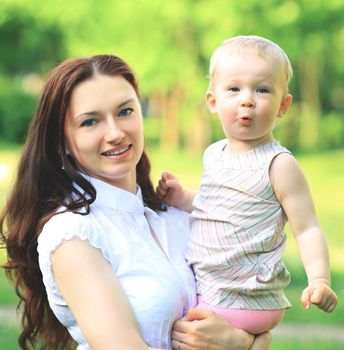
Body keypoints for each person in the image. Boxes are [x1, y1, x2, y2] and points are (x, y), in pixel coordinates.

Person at [0, 54, 269, 350]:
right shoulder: (74, 235)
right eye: (90, 121)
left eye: (125, 111)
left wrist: (240, 341)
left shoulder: (174, 215)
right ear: (62, 141)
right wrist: (247, 346)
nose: (115, 133)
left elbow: (253, 305)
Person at [157, 35, 338, 346]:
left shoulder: (279, 165)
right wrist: (182, 197)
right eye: (234, 88)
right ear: (213, 101)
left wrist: (319, 279)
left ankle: (247, 341)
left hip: (244, 296)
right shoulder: (214, 153)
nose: (247, 99)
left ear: (283, 105)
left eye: (262, 89)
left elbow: (307, 228)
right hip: (213, 286)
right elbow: (219, 206)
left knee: (177, 331)